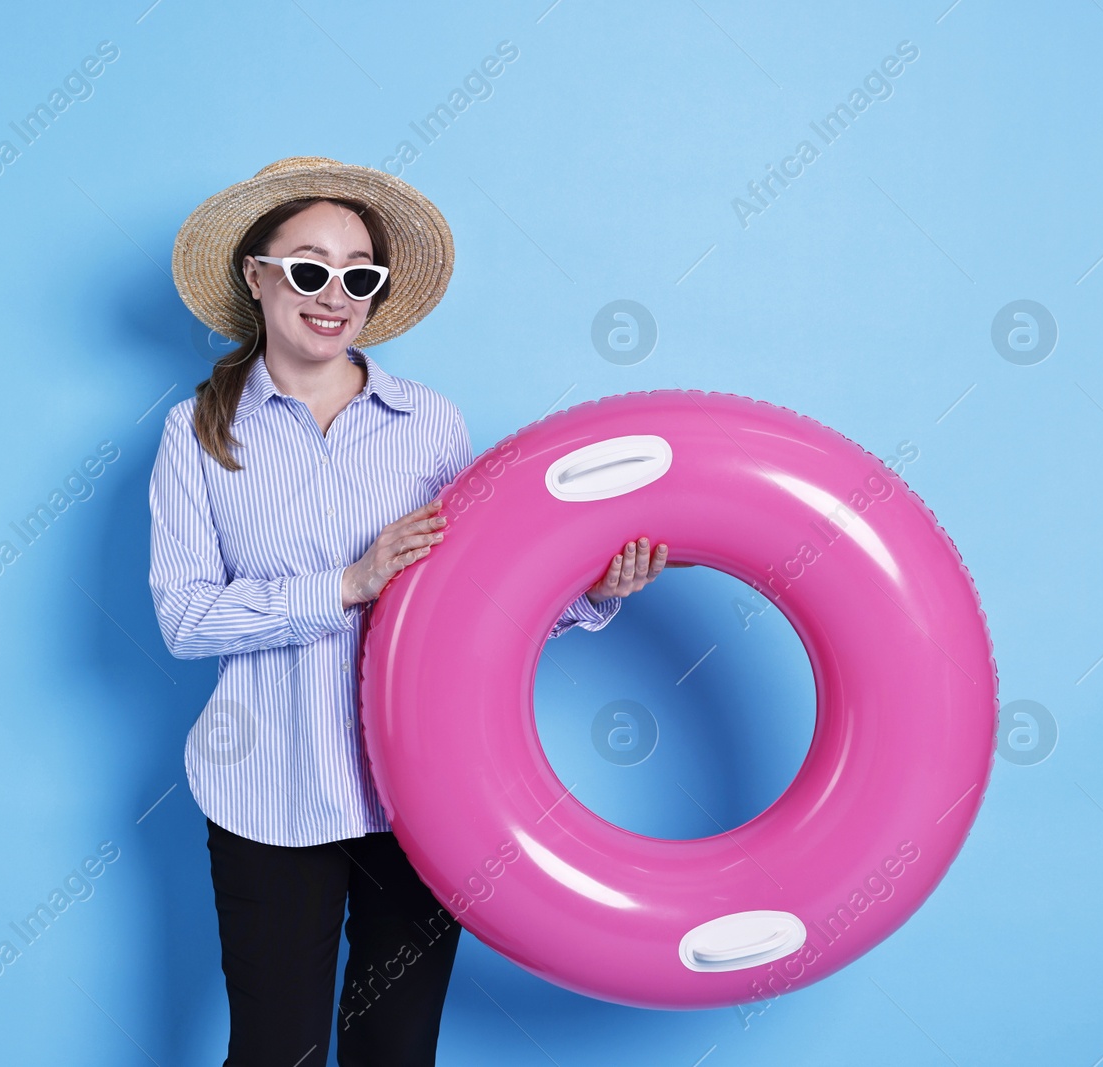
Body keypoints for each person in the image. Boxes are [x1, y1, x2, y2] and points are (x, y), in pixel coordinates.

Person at [151, 157, 673, 1066]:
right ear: (257, 274)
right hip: (270, 788)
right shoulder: (200, 430)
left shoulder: (429, 423)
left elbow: (476, 610)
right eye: (310, 269)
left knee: (395, 1049)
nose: (334, 295)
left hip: (424, 793)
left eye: (359, 275)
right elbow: (186, 619)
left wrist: (590, 598)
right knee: (276, 1050)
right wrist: (343, 586)